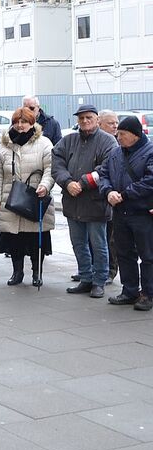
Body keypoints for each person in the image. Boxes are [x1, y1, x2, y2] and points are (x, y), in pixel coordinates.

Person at [52, 104, 117, 299]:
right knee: (78, 243)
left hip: (96, 202)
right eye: (81, 118)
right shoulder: (68, 140)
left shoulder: (108, 142)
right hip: (72, 202)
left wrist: (82, 183)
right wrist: (67, 182)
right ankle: (86, 278)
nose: (85, 121)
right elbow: (56, 163)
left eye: (89, 117)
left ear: (97, 120)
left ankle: (99, 281)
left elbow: (106, 168)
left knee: (99, 244)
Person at [0, 107, 55, 288]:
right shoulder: (4, 145)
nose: (20, 125)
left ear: (32, 123)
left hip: (35, 197)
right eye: (17, 122)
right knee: (14, 238)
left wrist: (45, 185)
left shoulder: (44, 143)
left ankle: (36, 273)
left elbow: (51, 168)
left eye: (24, 122)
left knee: (35, 239)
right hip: (10, 198)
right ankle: (17, 272)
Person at [97, 115, 153, 311]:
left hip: (143, 213)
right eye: (117, 133)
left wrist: (124, 194)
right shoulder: (115, 153)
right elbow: (104, 174)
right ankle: (130, 291)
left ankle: (148, 294)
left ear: (135, 135)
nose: (118, 137)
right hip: (120, 212)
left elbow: (150, 181)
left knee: (148, 255)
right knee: (124, 253)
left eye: (122, 134)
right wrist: (108, 191)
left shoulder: (150, 152)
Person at [97, 109, 121, 284]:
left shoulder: (117, 143)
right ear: (100, 124)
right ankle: (95, 268)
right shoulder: (96, 141)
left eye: (116, 123)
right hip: (95, 196)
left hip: (113, 196)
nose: (115, 126)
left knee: (112, 237)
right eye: (111, 123)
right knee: (97, 236)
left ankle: (110, 271)